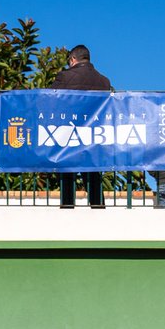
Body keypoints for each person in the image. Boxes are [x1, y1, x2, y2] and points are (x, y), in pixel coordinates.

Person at [52, 44, 112, 209]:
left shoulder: (64, 77)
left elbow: (50, 101)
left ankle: (67, 208)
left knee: (67, 175)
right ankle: (98, 209)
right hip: (94, 135)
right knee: (94, 176)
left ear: (73, 59)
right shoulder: (104, 81)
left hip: (69, 134)